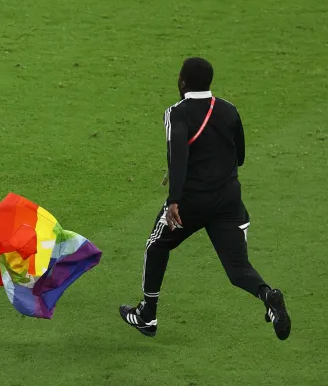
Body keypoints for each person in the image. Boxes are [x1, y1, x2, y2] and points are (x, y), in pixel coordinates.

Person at [119, 57, 291, 340]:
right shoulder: (230, 110)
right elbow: (241, 157)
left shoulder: (177, 113)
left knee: (156, 246)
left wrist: (174, 199)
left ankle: (147, 315)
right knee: (238, 268)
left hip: (190, 203)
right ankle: (267, 295)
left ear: (183, 81)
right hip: (228, 202)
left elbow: (179, 156)